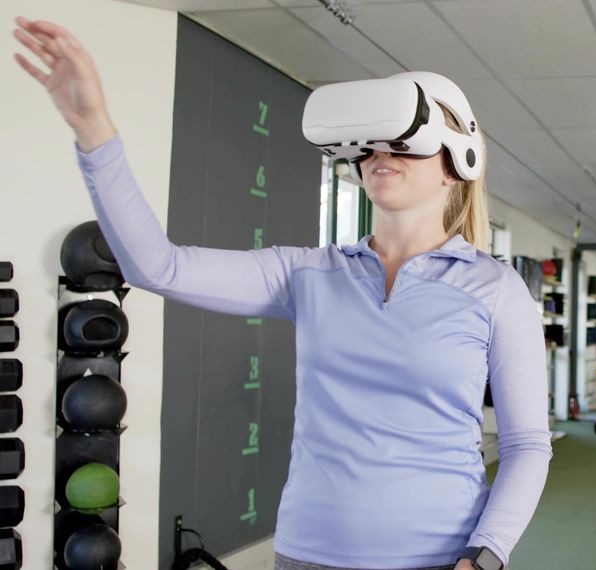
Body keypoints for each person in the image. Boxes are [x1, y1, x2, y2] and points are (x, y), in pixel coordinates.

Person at [14, 16, 551, 570]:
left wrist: (483, 558)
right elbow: (159, 267)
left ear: (456, 163)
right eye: (368, 146)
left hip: (441, 558)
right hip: (307, 553)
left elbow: (527, 447)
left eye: (404, 142)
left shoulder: (494, 289)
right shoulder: (309, 273)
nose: (379, 154)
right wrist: (93, 129)